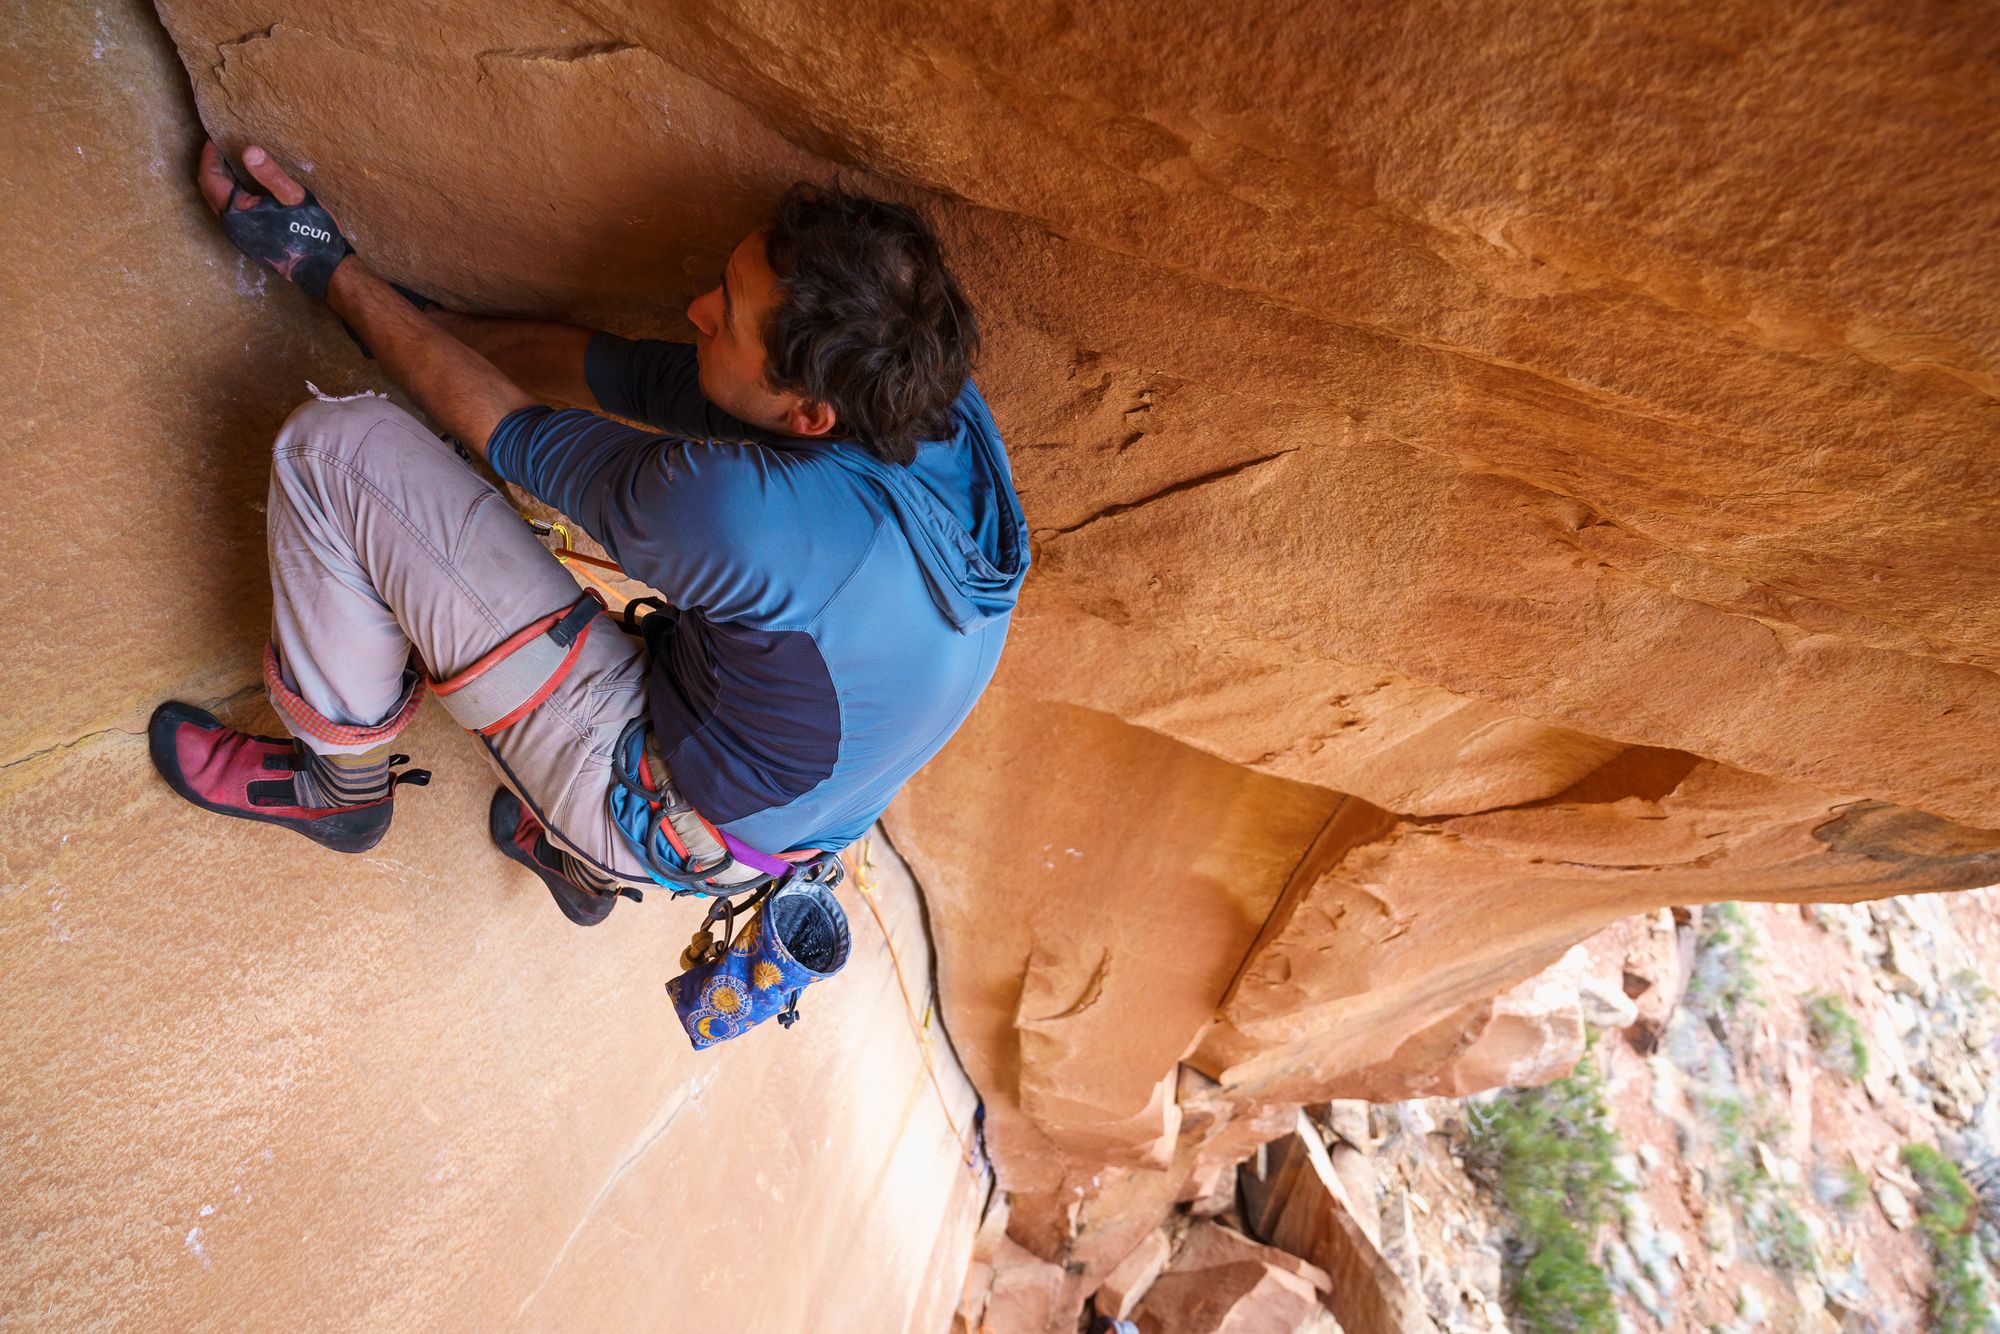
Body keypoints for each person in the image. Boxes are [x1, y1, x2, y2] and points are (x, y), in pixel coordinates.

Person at [151, 142, 1027, 928]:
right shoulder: (930, 406)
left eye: (726, 312)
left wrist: (324, 267)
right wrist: (400, 317)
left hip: (657, 799)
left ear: (808, 414)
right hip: (769, 811)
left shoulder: (742, 517)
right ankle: (577, 864)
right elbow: (622, 374)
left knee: (335, 453)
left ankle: (339, 791)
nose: (695, 308)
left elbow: (514, 430)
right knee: (749, 668)